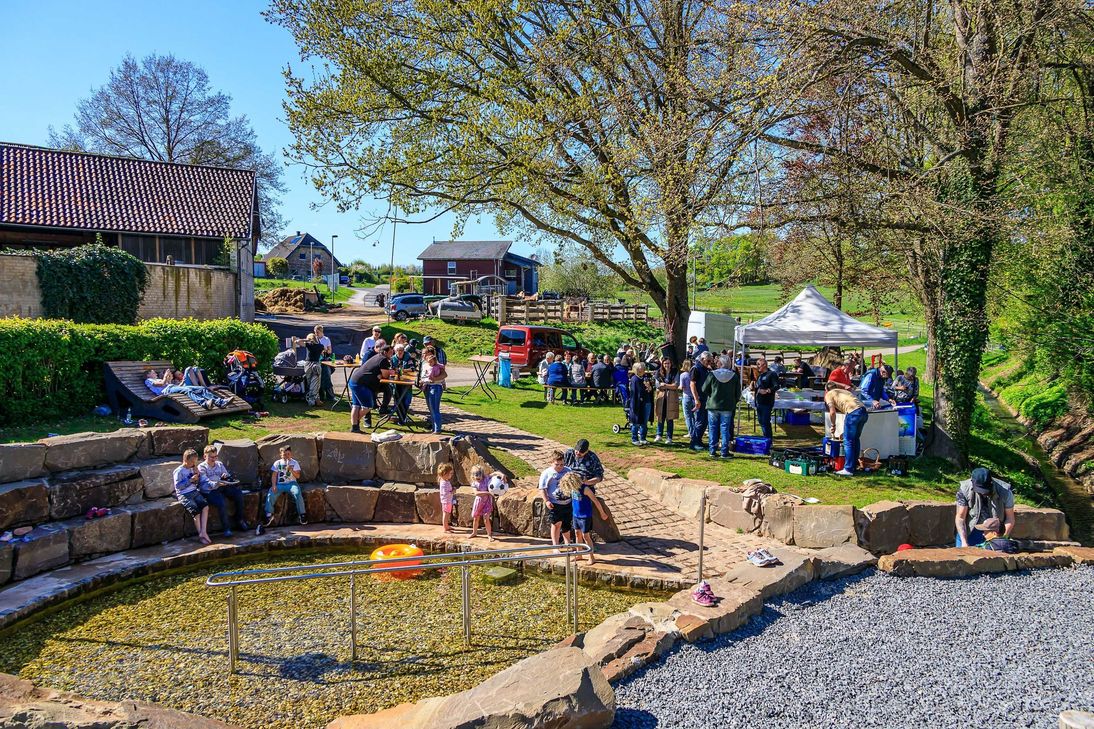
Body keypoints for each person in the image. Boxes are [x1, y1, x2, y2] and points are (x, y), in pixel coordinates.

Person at [955, 467, 1016, 547]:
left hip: (993, 531)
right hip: (970, 530)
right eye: (980, 490)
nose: (983, 493)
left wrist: (1001, 539)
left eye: (985, 490)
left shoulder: (1005, 491)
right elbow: (960, 518)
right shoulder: (964, 489)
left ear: (991, 482)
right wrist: (964, 541)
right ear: (972, 482)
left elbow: (1010, 518)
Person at [197, 445, 249, 536]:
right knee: (222, 503)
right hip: (209, 491)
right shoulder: (202, 467)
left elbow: (226, 474)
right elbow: (206, 481)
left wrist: (225, 475)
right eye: (211, 457)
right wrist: (217, 483)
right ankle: (226, 528)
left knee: (238, 494)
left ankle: (239, 520)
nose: (214, 459)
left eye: (215, 456)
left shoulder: (219, 464)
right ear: (205, 456)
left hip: (222, 486)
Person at [258, 445, 307, 534]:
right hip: (280, 484)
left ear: (291, 454)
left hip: (291, 483)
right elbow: (274, 476)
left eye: (288, 454)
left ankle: (302, 514)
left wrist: (291, 470)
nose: (286, 456)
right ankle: (269, 514)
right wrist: (274, 485)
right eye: (284, 454)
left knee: (297, 493)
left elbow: (298, 476)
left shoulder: (294, 463)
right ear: (281, 455)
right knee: (271, 493)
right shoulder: (277, 463)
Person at [824, 382, 869, 476]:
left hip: (853, 413)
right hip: (863, 412)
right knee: (855, 439)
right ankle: (854, 466)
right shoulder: (843, 391)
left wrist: (833, 425)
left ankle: (848, 469)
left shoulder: (829, 394)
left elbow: (832, 412)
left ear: (826, 390)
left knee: (848, 441)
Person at [565, 471, 610, 564]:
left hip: (585, 516)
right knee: (577, 534)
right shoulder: (572, 488)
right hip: (575, 515)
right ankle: (579, 554)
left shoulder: (585, 489)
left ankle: (591, 557)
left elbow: (595, 501)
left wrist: (602, 513)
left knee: (586, 536)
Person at [349, 344, 395, 432]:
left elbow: (381, 374)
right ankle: (356, 422)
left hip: (354, 380)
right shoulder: (383, 359)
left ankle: (355, 427)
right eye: (390, 352)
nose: (392, 354)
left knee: (356, 405)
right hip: (361, 384)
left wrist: (381, 374)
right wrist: (388, 372)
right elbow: (385, 375)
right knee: (368, 406)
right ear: (385, 352)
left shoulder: (377, 356)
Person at [702, 354, 740, 458]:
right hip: (727, 406)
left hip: (713, 405)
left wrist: (711, 395)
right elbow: (738, 393)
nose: (716, 363)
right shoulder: (734, 376)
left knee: (712, 428)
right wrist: (733, 401)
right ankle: (724, 451)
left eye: (718, 361)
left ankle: (712, 450)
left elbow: (704, 389)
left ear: (721, 363)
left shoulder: (712, 374)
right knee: (725, 429)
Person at [173, 448, 211, 545]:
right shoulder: (179, 471)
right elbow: (178, 486)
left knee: (205, 506)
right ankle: (200, 534)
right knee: (195, 511)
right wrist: (190, 480)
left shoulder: (193, 468)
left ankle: (204, 531)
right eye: (192, 462)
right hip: (184, 494)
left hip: (194, 491)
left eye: (195, 461)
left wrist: (197, 476)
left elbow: (196, 483)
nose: (194, 464)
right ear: (185, 460)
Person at [144, 369, 230, 410]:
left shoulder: (157, 379)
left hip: (172, 387)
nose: (155, 373)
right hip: (167, 391)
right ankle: (204, 404)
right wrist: (165, 376)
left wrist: (169, 377)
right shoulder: (149, 381)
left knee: (201, 388)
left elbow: (168, 383)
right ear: (148, 375)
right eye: (153, 372)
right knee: (187, 391)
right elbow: (162, 384)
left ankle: (220, 402)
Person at [539, 450, 573, 547]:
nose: (559, 467)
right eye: (557, 464)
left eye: (562, 464)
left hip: (567, 502)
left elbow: (573, 484)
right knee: (556, 524)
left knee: (566, 525)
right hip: (555, 503)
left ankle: (568, 544)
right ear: (551, 462)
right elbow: (542, 488)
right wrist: (547, 501)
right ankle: (555, 545)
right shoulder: (547, 473)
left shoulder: (568, 471)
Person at [469, 464, 506, 540]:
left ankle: (489, 535)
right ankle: (474, 532)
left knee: (486, 519)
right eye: (476, 476)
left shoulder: (486, 478)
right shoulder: (474, 484)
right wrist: (488, 493)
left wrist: (502, 475)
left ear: (482, 474)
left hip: (487, 503)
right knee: (476, 519)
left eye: (479, 475)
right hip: (478, 503)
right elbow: (476, 493)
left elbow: (495, 473)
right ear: (473, 476)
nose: (478, 477)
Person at [653, 356, 681, 444]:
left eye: (668, 363)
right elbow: (658, 385)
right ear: (662, 364)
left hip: (671, 398)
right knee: (660, 416)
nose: (667, 365)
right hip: (661, 397)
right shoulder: (658, 372)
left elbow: (676, 385)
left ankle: (669, 437)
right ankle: (659, 435)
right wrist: (669, 386)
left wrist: (665, 385)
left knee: (670, 417)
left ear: (671, 364)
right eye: (665, 363)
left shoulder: (675, 372)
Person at [751, 356, 780, 439]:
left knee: (765, 422)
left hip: (767, 402)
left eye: (758, 364)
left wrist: (767, 390)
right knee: (761, 422)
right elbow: (758, 387)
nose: (757, 366)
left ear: (764, 365)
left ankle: (768, 441)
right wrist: (753, 388)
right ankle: (765, 439)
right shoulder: (760, 375)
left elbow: (777, 386)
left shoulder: (771, 374)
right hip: (759, 402)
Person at [689, 352, 712, 451]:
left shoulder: (706, 369)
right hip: (699, 399)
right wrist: (696, 399)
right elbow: (692, 384)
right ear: (702, 359)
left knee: (704, 421)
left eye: (710, 361)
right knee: (699, 421)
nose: (709, 363)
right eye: (708, 361)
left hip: (706, 398)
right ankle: (694, 442)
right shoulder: (696, 368)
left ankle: (699, 440)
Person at [421, 348, 447, 433]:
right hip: (427, 386)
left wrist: (435, 379)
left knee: (435, 408)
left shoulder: (437, 365)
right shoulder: (424, 364)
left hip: (435, 386)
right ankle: (433, 427)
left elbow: (444, 375)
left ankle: (437, 429)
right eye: (423, 353)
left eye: (425, 353)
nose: (423, 355)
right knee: (431, 409)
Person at [628, 362, 654, 446]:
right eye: (640, 368)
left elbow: (650, 390)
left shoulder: (645, 378)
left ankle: (643, 438)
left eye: (643, 368)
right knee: (636, 422)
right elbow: (634, 393)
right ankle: (634, 438)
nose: (642, 369)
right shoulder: (634, 379)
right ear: (636, 369)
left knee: (644, 422)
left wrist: (649, 387)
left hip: (647, 402)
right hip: (638, 403)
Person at [296, 333, 326, 406]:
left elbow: (297, 341)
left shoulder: (309, 345)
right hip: (316, 364)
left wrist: (306, 340)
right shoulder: (320, 346)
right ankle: (313, 400)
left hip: (308, 365)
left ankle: (315, 400)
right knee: (316, 383)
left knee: (310, 383)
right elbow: (323, 353)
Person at [314, 325, 335, 402]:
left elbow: (330, 351)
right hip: (316, 360)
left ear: (321, 332)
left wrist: (325, 349)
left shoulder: (326, 339)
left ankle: (330, 396)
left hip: (325, 360)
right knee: (320, 377)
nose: (316, 334)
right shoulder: (314, 339)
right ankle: (322, 395)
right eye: (315, 332)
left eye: (317, 332)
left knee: (326, 375)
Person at [437, 462, 455, 533]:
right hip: (446, 501)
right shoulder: (443, 483)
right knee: (445, 514)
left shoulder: (445, 481)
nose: (451, 475)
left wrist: (452, 490)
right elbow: (445, 493)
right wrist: (452, 492)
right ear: (445, 474)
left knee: (447, 513)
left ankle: (446, 526)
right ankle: (445, 528)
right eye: (450, 473)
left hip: (448, 500)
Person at [679, 357, 695, 439]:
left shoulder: (683, 375)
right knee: (694, 416)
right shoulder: (693, 374)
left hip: (686, 396)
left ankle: (690, 432)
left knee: (688, 416)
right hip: (694, 397)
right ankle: (695, 431)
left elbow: (682, 387)